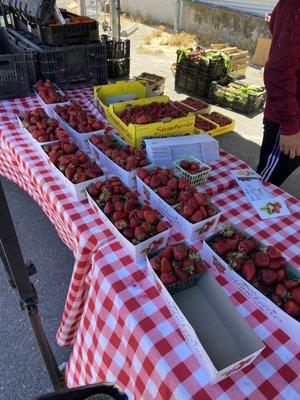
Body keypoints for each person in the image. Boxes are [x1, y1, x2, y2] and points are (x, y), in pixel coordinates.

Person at [257, 0, 300, 186]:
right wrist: (290, 127)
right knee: (262, 187)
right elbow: (279, 70)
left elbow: (274, 23)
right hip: (290, 116)